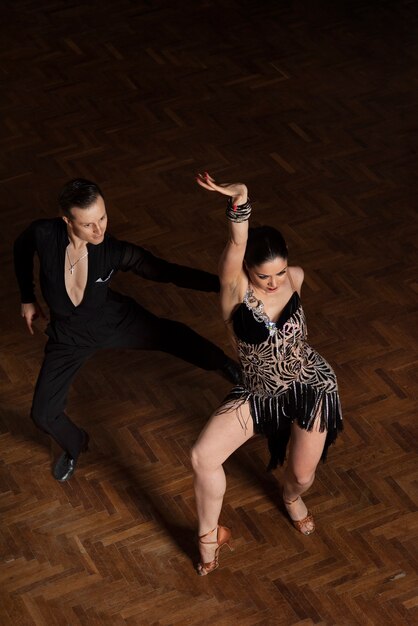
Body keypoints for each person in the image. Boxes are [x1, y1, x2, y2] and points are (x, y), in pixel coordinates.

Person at [14, 178, 241, 482]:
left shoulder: (112, 251)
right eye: (89, 224)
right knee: (42, 415)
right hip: (68, 338)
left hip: (112, 320)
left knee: (169, 335)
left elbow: (164, 272)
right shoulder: (43, 234)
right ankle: (76, 443)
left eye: (103, 218)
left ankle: (224, 364)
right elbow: (21, 246)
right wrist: (27, 297)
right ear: (66, 220)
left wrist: (223, 285)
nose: (100, 230)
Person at [191, 173, 343, 575]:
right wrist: (240, 201)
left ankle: (291, 499)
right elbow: (236, 243)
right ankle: (209, 536)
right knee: (202, 456)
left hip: (309, 386)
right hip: (258, 393)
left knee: (301, 475)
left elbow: (290, 305)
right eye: (264, 277)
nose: (275, 283)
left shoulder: (296, 277)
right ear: (246, 272)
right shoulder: (234, 292)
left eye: (278, 273)